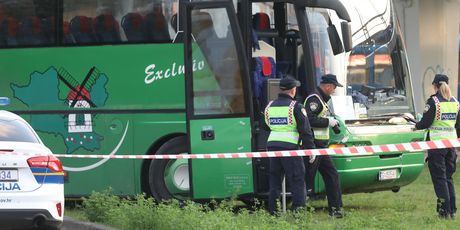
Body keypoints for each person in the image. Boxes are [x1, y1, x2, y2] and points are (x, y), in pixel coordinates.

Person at [265, 75, 316, 214]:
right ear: (293, 90)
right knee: (297, 179)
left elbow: (266, 126)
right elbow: (305, 131)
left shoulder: (269, 106)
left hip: (273, 147)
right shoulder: (296, 107)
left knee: (274, 181)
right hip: (290, 148)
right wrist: (311, 150)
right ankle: (299, 211)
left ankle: (273, 211)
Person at [414, 74, 460, 218]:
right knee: (448, 177)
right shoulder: (455, 102)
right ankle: (452, 210)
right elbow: (458, 126)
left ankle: (443, 211)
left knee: (439, 178)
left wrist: (416, 125)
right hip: (451, 145)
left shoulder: (434, 101)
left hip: (436, 145)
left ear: (435, 85)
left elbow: (425, 123)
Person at [303, 74, 344, 218]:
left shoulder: (321, 99)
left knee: (332, 175)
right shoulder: (314, 99)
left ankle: (336, 209)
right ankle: (299, 210)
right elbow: (309, 119)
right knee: (306, 178)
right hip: (313, 146)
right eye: (333, 87)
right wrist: (328, 122)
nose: (333, 90)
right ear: (327, 86)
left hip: (321, 147)